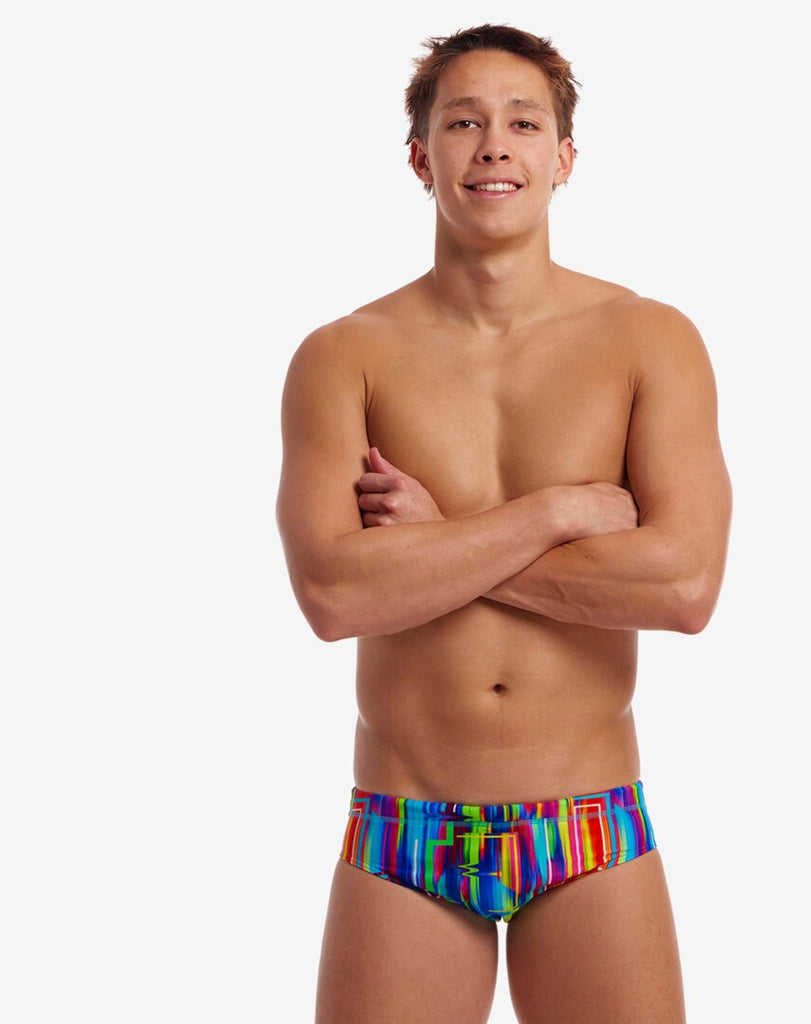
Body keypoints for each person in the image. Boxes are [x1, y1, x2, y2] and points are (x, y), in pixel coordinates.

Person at [277, 24, 731, 1024]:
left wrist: (437, 540)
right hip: (406, 826)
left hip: (588, 822)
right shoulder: (344, 355)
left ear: (563, 158)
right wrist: (556, 512)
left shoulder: (648, 339)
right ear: (419, 157)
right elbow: (335, 594)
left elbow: (684, 586)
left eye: (523, 124)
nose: (494, 146)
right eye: (463, 122)